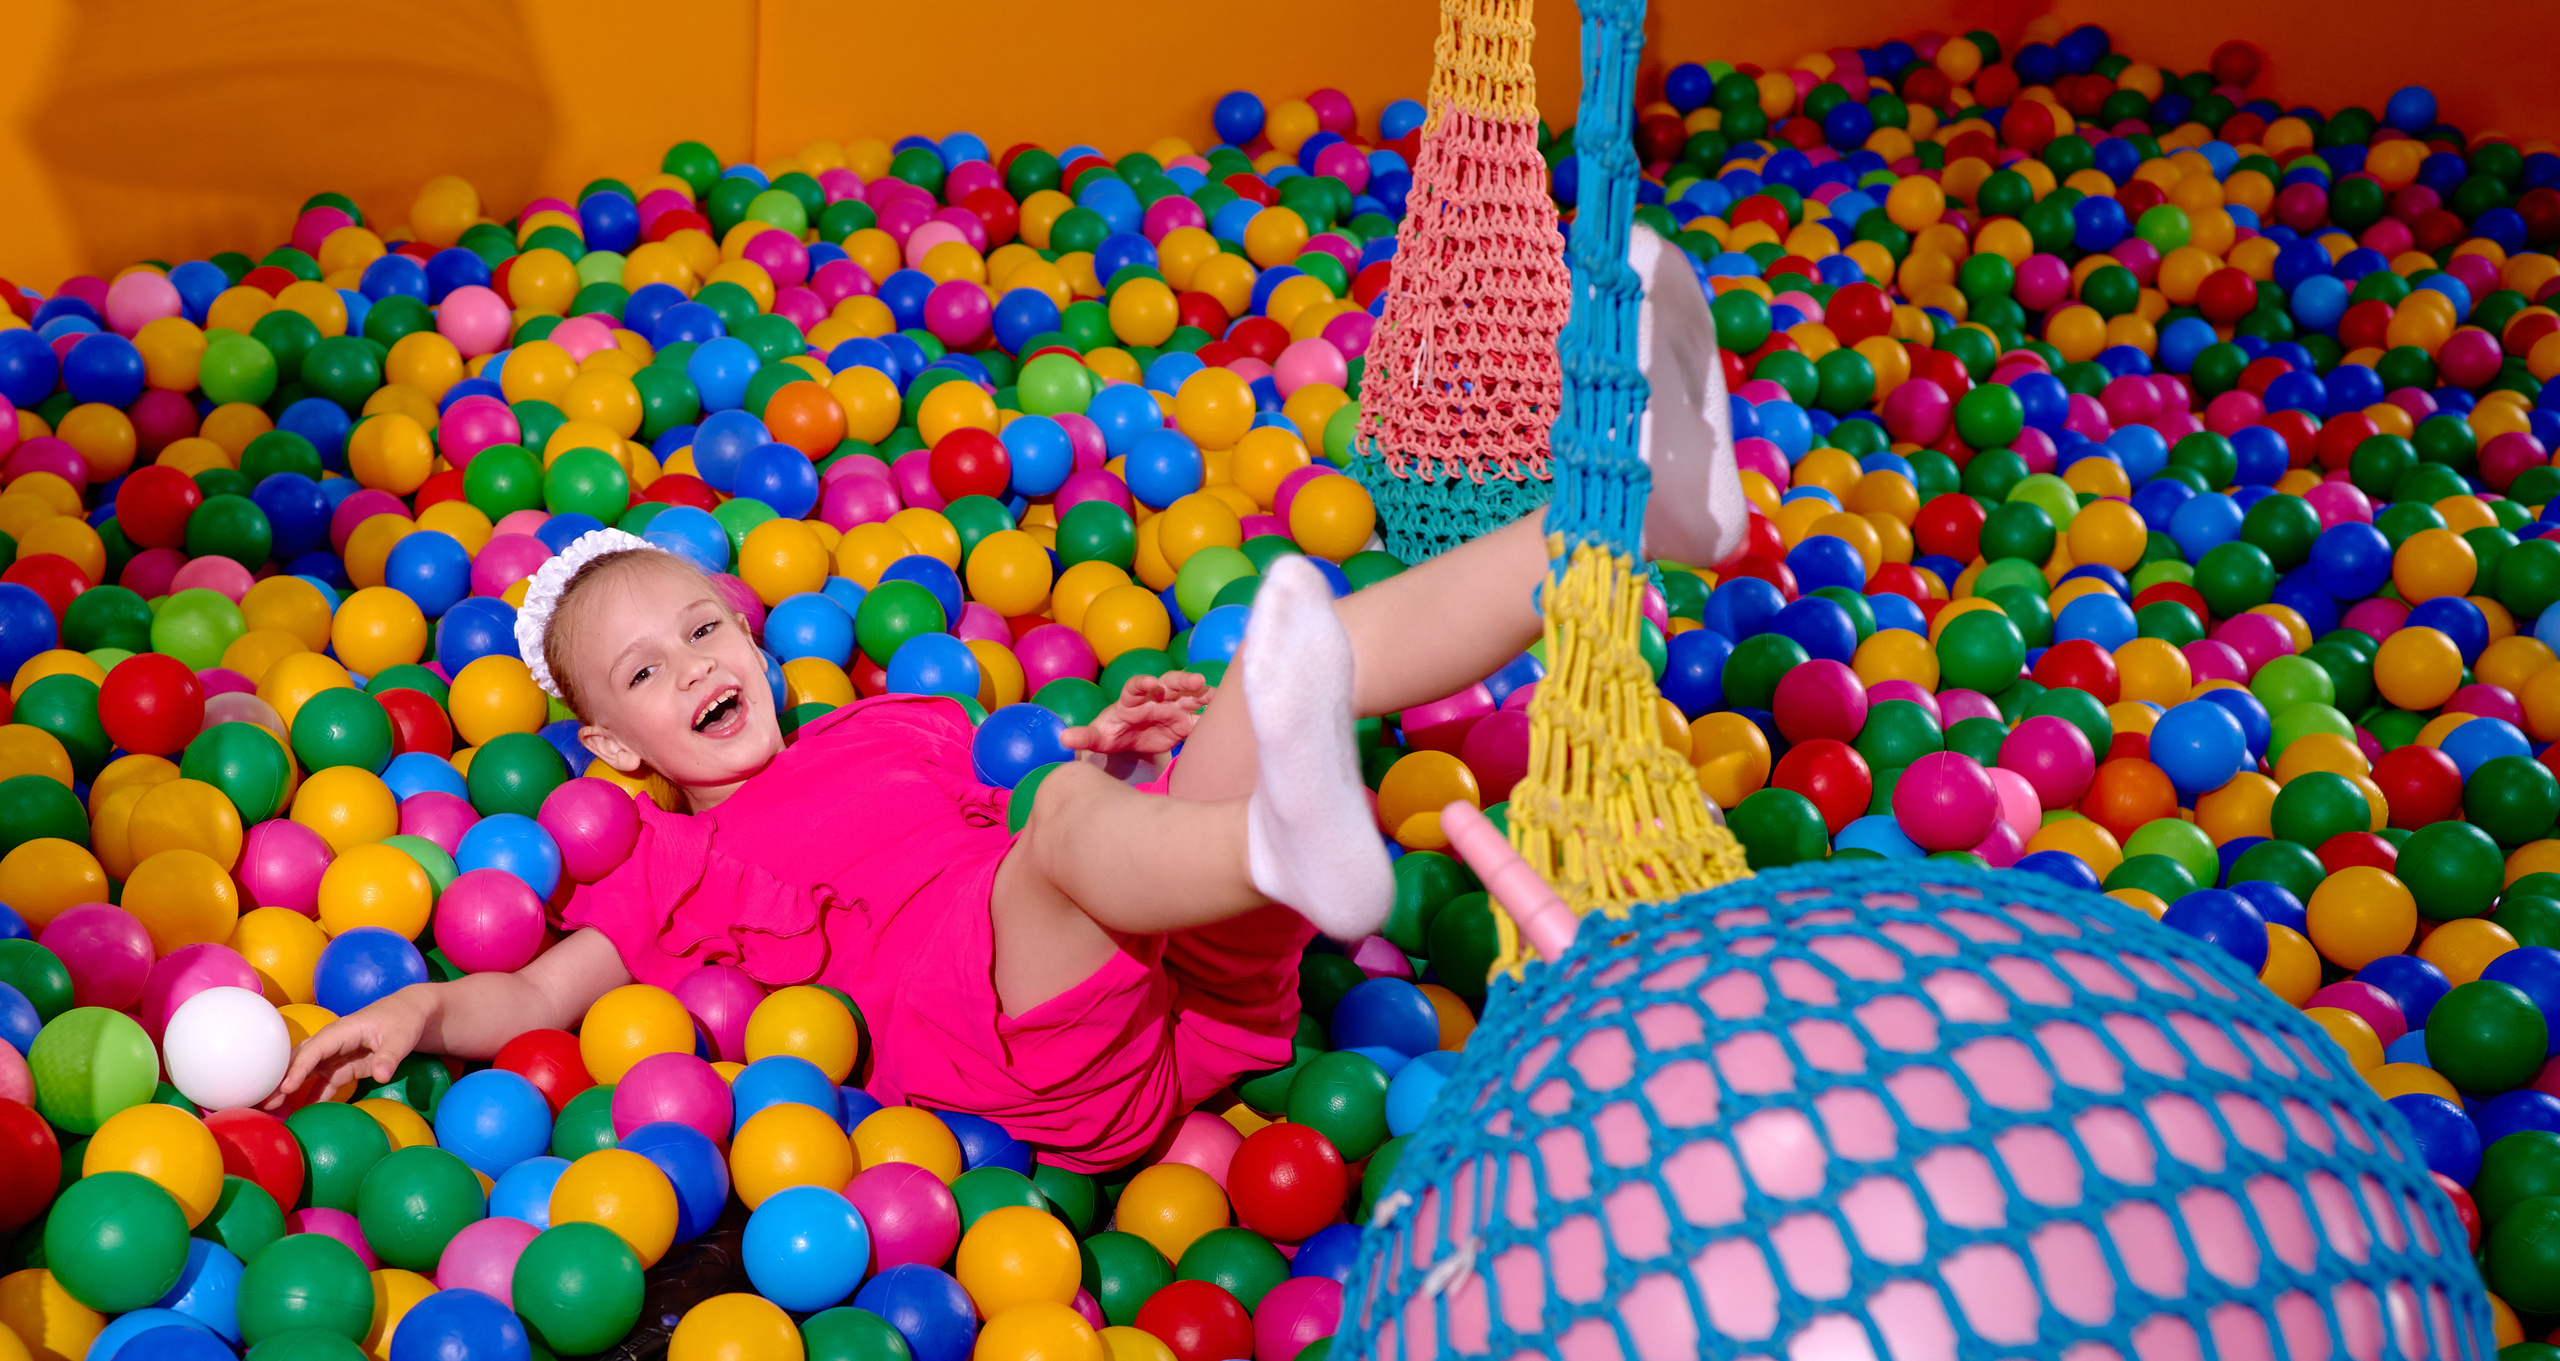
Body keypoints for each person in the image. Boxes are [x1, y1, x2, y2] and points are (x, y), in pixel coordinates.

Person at [269, 226, 1742, 1170]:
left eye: (705, 627)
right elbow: (535, 992)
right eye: (646, 676)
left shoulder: (885, 729)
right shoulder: (662, 869)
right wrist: (421, 1010)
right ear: (607, 746)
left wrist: (1103, 740)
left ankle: (1625, 515)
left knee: (1272, 672)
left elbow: (989, 810)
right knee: (1057, 828)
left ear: (756, 634)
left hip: (1178, 978)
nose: (698, 669)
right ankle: (1270, 847)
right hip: (1033, 1059)